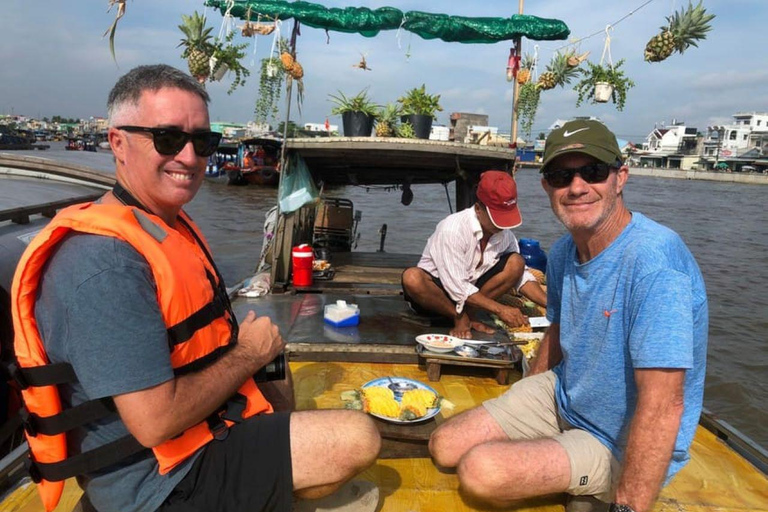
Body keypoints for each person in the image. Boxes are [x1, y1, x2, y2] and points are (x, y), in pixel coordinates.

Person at [11, 64, 380, 512]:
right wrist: (248, 353)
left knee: (278, 374)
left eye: (203, 142)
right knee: (358, 437)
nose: (189, 156)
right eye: (167, 138)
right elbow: (154, 423)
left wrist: (258, 358)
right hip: (158, 484)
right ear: (118, 142)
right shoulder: (105, 265)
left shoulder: (166, 225)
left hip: (202, 431)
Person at [428, 119, 707, 512]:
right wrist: (528, 401)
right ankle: (565, 471)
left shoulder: (654, 261)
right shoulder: (561, 253)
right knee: (445, 446)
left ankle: (592, 482)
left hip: (615, 438)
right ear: (546, 186)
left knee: (482, 471)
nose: (576, 187)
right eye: (562, 176)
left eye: (592, 172)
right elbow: (557, 331)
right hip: (565, 397)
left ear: (620, 177)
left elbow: (664, 405)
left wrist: (627, 506)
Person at [401, 170, 547, 339]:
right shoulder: (453, 229)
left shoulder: (504, 235)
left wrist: (549, 304)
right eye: (497, 218)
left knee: (516, 262)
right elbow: (457, 287)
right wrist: (500, 309)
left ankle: (470, 315)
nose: (502, 226)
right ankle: (460, 317)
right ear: (478, 209)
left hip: (473, 296)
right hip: (438, 295)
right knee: (412, 278)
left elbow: (521, 276)